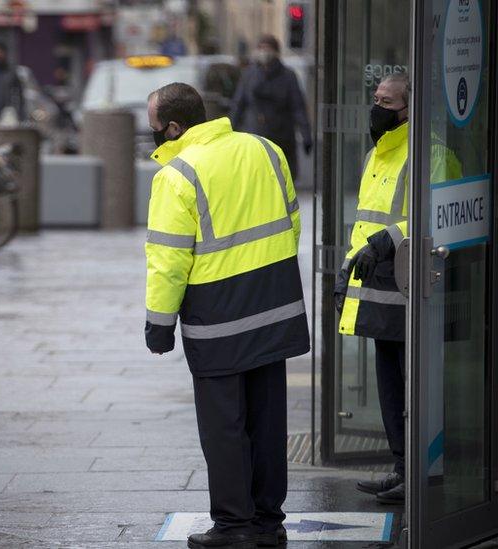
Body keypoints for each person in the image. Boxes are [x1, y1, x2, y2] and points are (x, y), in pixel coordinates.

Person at [144, 83, 310, 548]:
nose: (153, 136)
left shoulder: (177, 175)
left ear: (175, 127)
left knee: (224, 428)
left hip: (219, 317)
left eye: (155, 128)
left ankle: (234, 527)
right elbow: (292, 220)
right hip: (275, 306)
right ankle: (267, 522)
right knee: (268, 422)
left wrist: (160, 323)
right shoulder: (266, 149)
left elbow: (168, 259)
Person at [336, 73, 461, 505]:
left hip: (415, 287)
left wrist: (386, 240)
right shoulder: (378, 154)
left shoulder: (432, 153)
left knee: (414, 385)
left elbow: (437, 217)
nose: (377, 107)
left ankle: (421, 471)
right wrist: (346, 272)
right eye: (375, 98)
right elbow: (366, 220)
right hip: (378, 287)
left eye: (386, 100)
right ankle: (401, 468)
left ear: (410, 107)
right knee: (390, 384)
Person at [230, 35, 312, 181]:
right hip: (254, 139)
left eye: (268, 49)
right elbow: (238, 105)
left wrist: (306, 135)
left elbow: (298, 107)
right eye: (261, 49)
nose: (264, 53)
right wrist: (229, 132)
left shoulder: (288, 76)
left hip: (281, 139)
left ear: (276, 52)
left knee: (281, 182)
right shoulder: (249, 75)